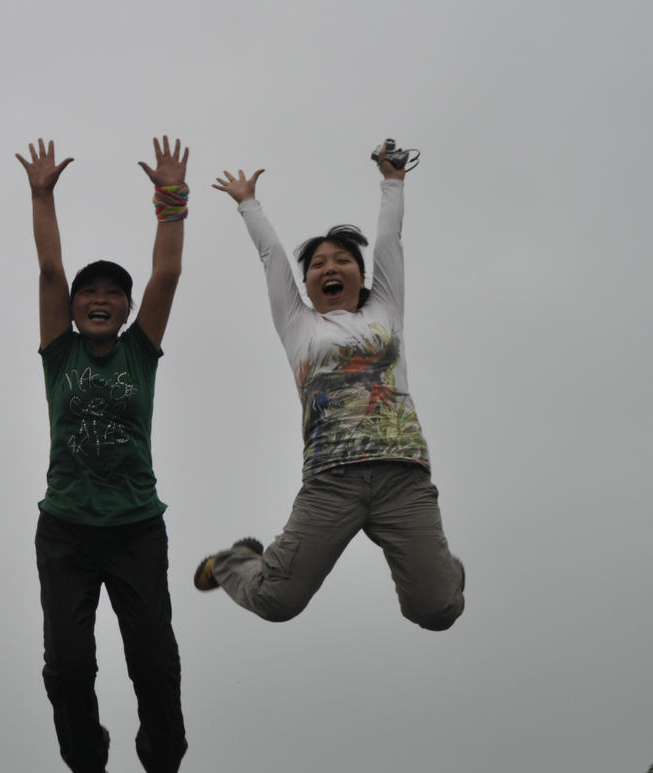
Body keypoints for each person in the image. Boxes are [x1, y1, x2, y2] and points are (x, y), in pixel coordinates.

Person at [195, 147, 465, 630]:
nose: (331, 268)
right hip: (331, 479)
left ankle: (441, 571)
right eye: (319, 264)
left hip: (401, 475)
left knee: (438, 609)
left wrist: (393, 181)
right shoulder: (297, 322)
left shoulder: (385, 307)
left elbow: (389, 242)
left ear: (362, 278)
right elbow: (271, 257)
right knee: (277, 601)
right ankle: (234, 561)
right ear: (307, 283)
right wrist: (248, 203)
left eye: (343, 260)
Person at [16, 137, 191, 773]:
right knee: (67, 668)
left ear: (123, 310)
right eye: (90, 291)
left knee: (153, 662)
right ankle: (88, 766)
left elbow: (166, 277)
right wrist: (41, 194)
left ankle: (164, 763)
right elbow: (51, 268)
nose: (98, 297)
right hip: (65, 530)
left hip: (136, 529)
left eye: (111, 293)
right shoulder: (58, 354)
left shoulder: (139, 354)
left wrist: (170, 202)